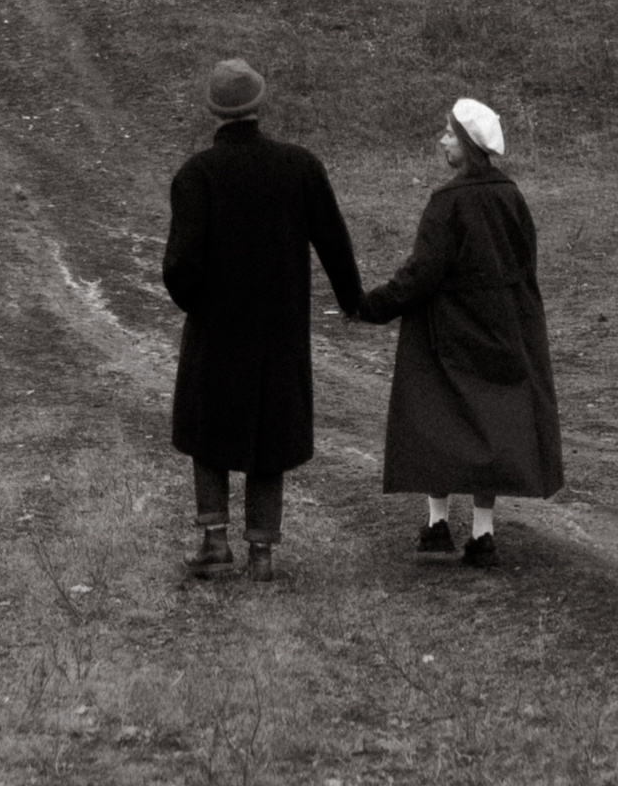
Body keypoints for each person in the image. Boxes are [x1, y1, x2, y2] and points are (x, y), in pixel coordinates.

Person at [163, 57, 364, 580]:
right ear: (259, 104)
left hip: (216, 328)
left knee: (209, 428)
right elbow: (334, 242)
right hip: (279, 330)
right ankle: (262, 553)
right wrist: (353, 300)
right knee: (268, 433)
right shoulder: (299, 166)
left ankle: (213, 541)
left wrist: (196, 304)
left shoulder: (196, 175)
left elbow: (181, 266)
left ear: (214, 111)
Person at [359, 97, 562, 569]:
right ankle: (483, 534)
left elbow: (422, 273)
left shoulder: (448, 202)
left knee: (437, 418)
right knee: (493, 425)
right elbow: (524, 265)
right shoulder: (512, 196)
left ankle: (436, 524)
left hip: (447, 334)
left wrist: (374, 305)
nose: (442, 139)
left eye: (449, 133)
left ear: (468, 143)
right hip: (505, 330)